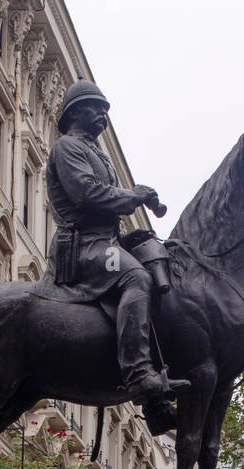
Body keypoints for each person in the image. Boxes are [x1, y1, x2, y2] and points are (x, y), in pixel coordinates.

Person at [42, 79, 187, 435]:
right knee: (135, 278)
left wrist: (129, 235)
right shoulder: (68, 148)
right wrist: (134, 196)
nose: (103, 115)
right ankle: (139, 375)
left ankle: (156, 404)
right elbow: (87, 194)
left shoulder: (97, 154)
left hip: (105, 243)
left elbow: (104, 211)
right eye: (97, 107)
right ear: (76, 112)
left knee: (157, 261)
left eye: (106, 108)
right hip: (81, 249)